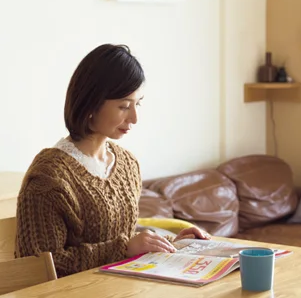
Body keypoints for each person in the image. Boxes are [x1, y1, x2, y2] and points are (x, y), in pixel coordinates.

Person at [15, 44, 210, 277]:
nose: (135, 118)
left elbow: (122, 240)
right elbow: (37, 268)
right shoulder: (48, 178)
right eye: (124, 106)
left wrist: (174, 243)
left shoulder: (127, 164)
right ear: (91, 103)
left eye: (137, 104)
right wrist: (124, 248)